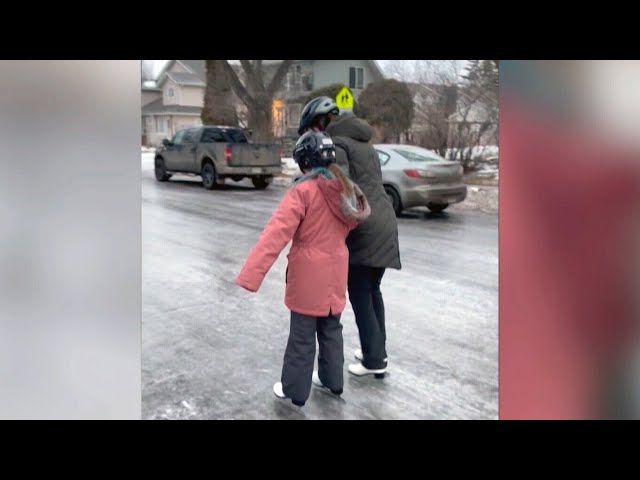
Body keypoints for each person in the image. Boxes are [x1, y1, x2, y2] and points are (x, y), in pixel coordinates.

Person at [235, 131, 371, 407]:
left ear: (304, 161)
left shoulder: (303, 192)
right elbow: (353, 221)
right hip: (335, 272)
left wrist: (251, 275)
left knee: (302, 335)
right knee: (331, 329)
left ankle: (294, 390)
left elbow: (275, 234)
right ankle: (332, 381)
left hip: (308, 276)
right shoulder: (345, 190)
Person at [298, 96, 401, 378]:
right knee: (372, 290)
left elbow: (338, 187)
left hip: (365, 226)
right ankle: (377, 350)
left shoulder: (339, 146)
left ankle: (373, 360)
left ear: (320, 125)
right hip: (384, 220)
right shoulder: (364, 143)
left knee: (359, 292)